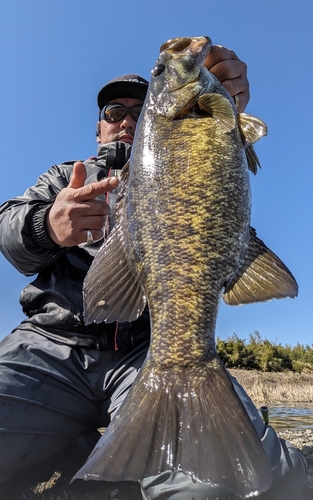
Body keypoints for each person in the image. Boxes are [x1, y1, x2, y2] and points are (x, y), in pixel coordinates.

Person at [0, 45, 306, 500]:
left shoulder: (202, 135)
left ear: (150, 122)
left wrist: (224, 101)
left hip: (148, 352)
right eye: (113, 110)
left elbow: (219, 216)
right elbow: (8, 227)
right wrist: (47, 225)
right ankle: (85, 444)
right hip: (51, 347)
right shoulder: (66, 176)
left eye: (138, 108)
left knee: (224, 485)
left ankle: (96, 447)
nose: (125, 117)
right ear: (98, 127)